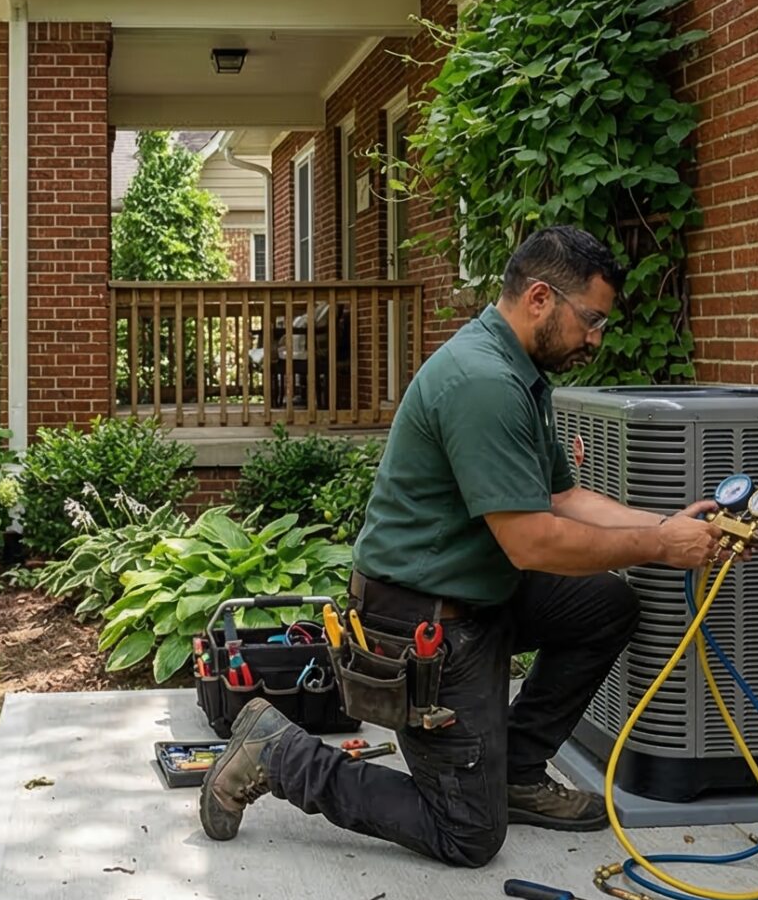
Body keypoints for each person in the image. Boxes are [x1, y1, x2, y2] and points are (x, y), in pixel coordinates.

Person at [198, 225, 720, 866]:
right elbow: (532, 542)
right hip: (423, 620)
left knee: (603, 605)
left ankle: (515, 775)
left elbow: (562, 498)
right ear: (538, 298)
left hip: (477, 591)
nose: (595, 337)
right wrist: (658, 548)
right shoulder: (483, 383)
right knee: (467, 835)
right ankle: (279, 752)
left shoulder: (521, 374)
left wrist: (667, 524)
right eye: (590, 319)